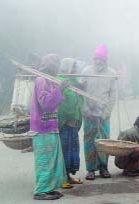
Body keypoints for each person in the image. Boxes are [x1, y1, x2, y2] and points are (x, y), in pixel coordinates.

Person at [30, 54, 69, 200]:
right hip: (42, 128)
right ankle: (41, 190)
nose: (57, 67)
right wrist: (60, 89)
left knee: (53, 160)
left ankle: (49, 188)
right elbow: (46, 104)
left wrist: (60, 89)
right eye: (55, 64)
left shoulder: (51, 81)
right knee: (45, 162)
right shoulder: (41, 80)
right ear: (49, 65)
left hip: (51, 126)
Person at [81, 45, 117, 180]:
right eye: (96, 58)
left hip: (103, 114)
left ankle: (103, 167)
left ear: (105, 59)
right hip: (89, 113)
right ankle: (90, 169)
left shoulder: (112, 73)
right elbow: (81, 92)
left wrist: (106, 113)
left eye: (100, 58)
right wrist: (86, 110)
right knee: (89, 141)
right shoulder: (86, 71)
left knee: (104, 141)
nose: (98, 61)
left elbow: (113, 96)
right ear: (93, 58)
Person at [57, 58, 84, 187]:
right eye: (72, 68)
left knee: (72, 150)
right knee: (64, 150)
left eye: (75, 68)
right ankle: (62, 178)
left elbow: (79, 101)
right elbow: (65, 102)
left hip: (73, 123)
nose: (75, 70)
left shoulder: (74, 82)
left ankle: (68, 175)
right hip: (65, 123)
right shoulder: (60, 80)